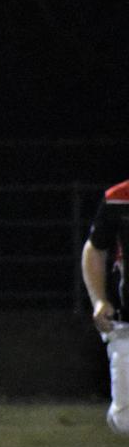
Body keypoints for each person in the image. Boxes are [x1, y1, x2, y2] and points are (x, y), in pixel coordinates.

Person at [81, 180, 129, 433]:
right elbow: (95, 248)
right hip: (126, 320)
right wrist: (99, 300)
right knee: (125, 420)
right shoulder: (119, 198)